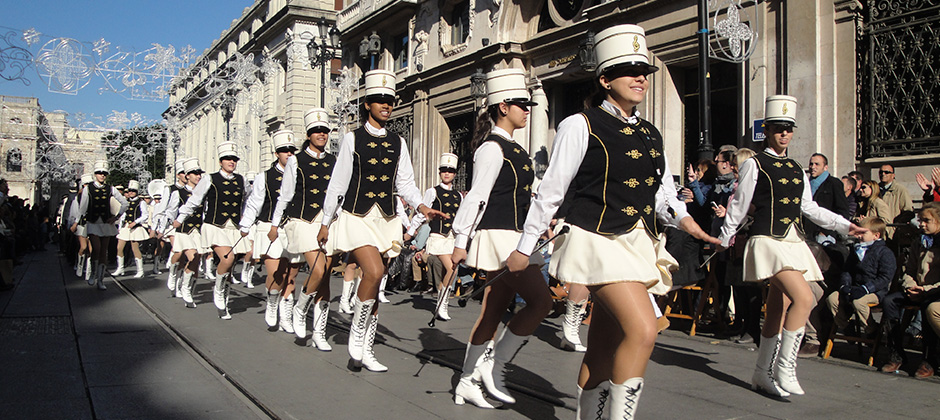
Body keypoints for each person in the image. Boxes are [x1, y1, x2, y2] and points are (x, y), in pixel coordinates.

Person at [505, 26, 718, 419]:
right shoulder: (579, 124)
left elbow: (664, 195)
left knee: (605, 342)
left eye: (644, 70)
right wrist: (524, 247)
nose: (640, 77)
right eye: (629, 69)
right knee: (643, 330)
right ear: (605, 79)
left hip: (638, 242)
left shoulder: (651, 134)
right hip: (595, 238)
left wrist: (692, 225)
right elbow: (551, 191)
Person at [718, 95, 866, 398]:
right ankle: (785, 368)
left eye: (789, 129)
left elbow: (809, 208)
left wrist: (843, 225)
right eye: (778, 128)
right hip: (767, 240)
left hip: (791, 239)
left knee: (780, 304)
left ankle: (762, 373)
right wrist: (723, 238)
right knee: (804, 296)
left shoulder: (798, 167)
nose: (785, 134)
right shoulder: (754, 165)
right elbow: (739, 205)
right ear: (768, 131)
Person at [317, 69, 447, 372]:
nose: (386, 105)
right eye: (379, 100)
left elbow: (406, 184)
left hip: (387, 219)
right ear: (367, 104)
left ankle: (367, 348)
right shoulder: (351, 139)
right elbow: (338, 185)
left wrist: (422, 207)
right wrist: (326, 221)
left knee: (376, 286)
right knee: (373, 272)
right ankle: (356, 336)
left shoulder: (398, 142)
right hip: (356, 216)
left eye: (390, 100)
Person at [448, 68, 551, 409]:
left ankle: (466, 380)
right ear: (503, 106)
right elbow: (477, 197)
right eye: (522, 104)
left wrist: (541, 223)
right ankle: (494, 364)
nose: (528, 109)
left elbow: (525, 196)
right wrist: (460, 242)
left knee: (492, 311)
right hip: (500, 237)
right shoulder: (492, 148)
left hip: (515, 234)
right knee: (541, 302)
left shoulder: (515, 148)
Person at [272, 108, 338, 349]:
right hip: (302, 220)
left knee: (326, 279)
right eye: (316, 131)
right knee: (318, 270)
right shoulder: (296, 161)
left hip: (327, 222)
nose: (321, 134)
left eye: (324, 130)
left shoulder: (333, 160)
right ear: (308, 134)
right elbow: (285, 195)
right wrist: (273, 223)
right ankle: (300, 308)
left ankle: (319, 333)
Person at [174, 142, 251, 320]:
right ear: (220, 161)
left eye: (234, 159)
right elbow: (195, 199)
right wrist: (180, 218)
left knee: (230, 266)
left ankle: (224, 297)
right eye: (227, 159)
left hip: (234, 227)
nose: (231, 162)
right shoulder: (210, 179)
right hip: (214, 226)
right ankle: (218, 290)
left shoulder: (242, 180)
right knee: (227, 258)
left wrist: (246, 221)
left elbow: (249, 200)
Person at [240, 130, 300, 332]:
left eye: (292, 150)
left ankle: (286, 317)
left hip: (294, 229)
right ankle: (272, 302)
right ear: (277, 154)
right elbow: (254, 204)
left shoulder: (300, 174)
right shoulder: (264, 177)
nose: (289, 154)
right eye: (285, 151)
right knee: (276, 274)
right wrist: (245, 225)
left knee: (290, 277)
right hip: (270, 229)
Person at [880, 202, 940, 378]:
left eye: (926, 220)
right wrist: (910, 286)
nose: (921, 224)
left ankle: (929, 359)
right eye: (920, 220)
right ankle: (896, 352)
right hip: (916, 289)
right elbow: (909, 269)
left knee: (928, 307)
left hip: (934, 292)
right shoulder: (918, 242)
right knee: (890, 301)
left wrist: (926, 290)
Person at [407, 153, 463, 321]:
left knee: (453, 270)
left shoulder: (458, 195)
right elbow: (422, 213)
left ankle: (441, 301)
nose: (447, 173)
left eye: (450, 171)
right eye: (444, 170)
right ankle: (442, 304)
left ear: (454, 174)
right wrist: (410, 232)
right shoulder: (432, 191)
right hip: (438, 237)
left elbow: (460, 218)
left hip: (451, 238)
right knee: (452, 268)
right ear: (439, 172)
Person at [826, 217, 895, 335]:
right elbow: (847, 271)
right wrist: (844, 286)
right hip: (855, 288)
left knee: (858, 302)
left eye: (863, 233)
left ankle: (871, 329)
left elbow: (885, 277)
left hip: (875, 292)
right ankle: (846, 326)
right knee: (832, 299)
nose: (859, 236)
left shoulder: (884, 253)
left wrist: (866, 289)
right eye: (859, 232)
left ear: (876, 235)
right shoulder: (856, 250)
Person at [77, 160, 128, 290]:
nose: (102, 175)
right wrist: (79, 222)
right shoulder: (88, 189)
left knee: (103, 251)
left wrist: (116, 217)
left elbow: (124, 203)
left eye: (104, 173)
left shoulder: (110, 188)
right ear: (95, 174)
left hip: (106, 223)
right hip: (93, 222)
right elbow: (82, 208)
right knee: (96, 248)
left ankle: (100, 279)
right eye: (99, 173)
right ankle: (93, 273)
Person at [169, 158, 207, 308]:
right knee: (191, 256)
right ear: (187, 175)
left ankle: (187, 287)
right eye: (194, 173)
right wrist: (170, 223)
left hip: (197, 230)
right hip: (184, 230)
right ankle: (177, 278)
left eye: (199, 173)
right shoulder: (178, 193)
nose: (198, 176)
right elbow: (172, 210)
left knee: (196, 261)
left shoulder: (203, 192)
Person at [155, 159, 188, 295]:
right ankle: (173, 274)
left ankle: (180, 282)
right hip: (173, 226)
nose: (185, 175)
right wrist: (159, 228)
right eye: (182, 173)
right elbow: (163, 209)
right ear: (178, 175)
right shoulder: (170, 189)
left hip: (189, 226)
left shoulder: (195, 189)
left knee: (186, 257)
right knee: (178, 251)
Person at [806, 153, 850, 243]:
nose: (813, 167)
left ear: (825, 167)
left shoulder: (834, 183)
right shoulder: (806, 184)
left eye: (817, 164)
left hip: (824, 235)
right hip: (807, 233)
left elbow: (842, 210)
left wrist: (828, 232)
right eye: (811, 164)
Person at [113, 180, 150, 278]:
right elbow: (123, 215)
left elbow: (145, 215)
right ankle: (120, 268)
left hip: (136, 227)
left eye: (133, 191)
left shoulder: (141, 203)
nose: (131, 193)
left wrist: (135, 222)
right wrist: (120, 227)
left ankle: (140, 270)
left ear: (137, 192)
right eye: (129, 191)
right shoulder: (126, 202)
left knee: (135, 248)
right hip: (126, 226)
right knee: (119, 248)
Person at [69, 174, 94, 282]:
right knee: (83, 247)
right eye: (86, 185)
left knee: (91, 249)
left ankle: (88, 271)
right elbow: (76, 212)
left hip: (92, 224)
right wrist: (73, 223)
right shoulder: (77, 199)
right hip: (81, 224)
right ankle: (79, 264)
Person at [878, 163, 914, 231]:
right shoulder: (875, 189)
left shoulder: (900, 190)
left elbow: (908, 211)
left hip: (891, 229)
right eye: (881, 172)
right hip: (877, 229)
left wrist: (896, 224)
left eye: (886, 172)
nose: (883, 174)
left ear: (893, 175)